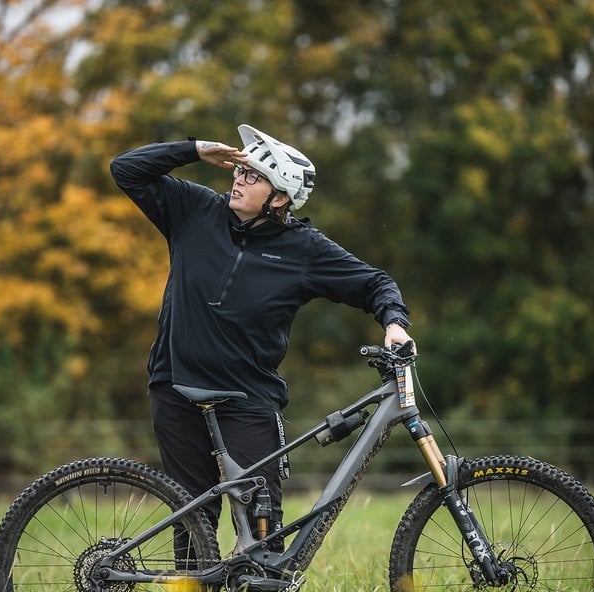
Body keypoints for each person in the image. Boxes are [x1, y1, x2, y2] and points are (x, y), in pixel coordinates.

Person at [110, 124, 414, 555]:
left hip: (248, 396)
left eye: (253, 176)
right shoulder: (194, 210)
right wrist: (195, 150)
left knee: (262, 515)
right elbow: (125, 169)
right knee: (192, 515)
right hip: (176, 385)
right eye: (239, 172)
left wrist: (394, 322)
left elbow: (374, 284)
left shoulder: (304, 249)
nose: (237, 178)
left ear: (281, 198)